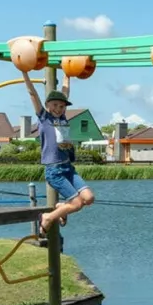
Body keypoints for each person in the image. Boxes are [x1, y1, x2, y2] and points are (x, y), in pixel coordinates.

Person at [21, 72, 94, 229]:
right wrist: (24, 73)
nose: (58, 109)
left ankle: (62, 207)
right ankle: (47, 218)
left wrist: (68, 75)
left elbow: (65, 92)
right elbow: (33, 94)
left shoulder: (62, 119)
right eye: (54, 105)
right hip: (54, 170)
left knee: (88, 198)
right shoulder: (44, 118)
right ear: (47, 105)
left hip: (68, 167)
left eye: (61, 106)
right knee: (77, 203)